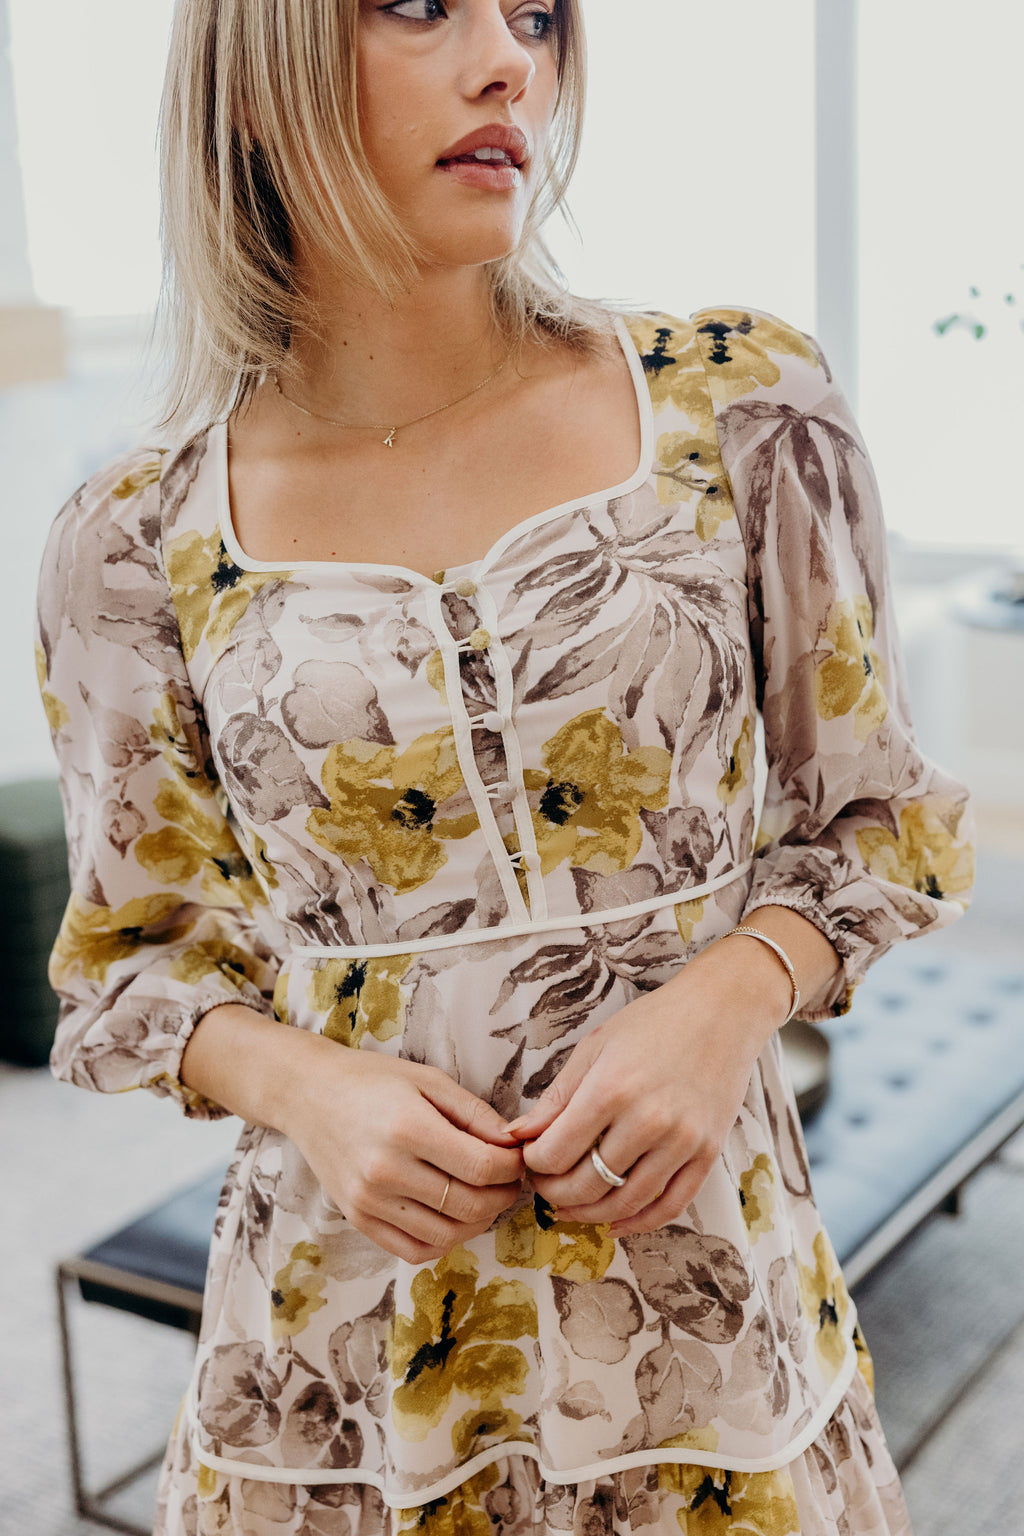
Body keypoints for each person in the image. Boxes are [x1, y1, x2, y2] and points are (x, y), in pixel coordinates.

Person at [36, 1, 975, 1533]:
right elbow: (132, 965)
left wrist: (725, 1001)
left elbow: (883, 827)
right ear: (259, 73)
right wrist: (309, 1088)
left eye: (535, 14)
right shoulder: (134, 539)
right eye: (420, 4)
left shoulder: (738, 407)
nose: (507, 61)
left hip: (710, 1340)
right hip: (346, 1374)